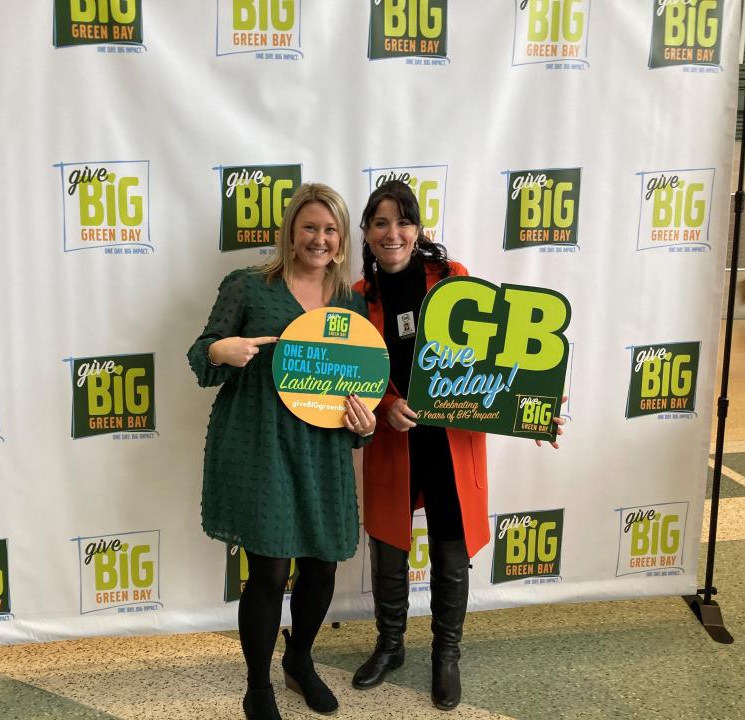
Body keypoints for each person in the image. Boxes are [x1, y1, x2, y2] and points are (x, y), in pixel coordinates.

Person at [351, 180, 564, 711]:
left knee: (449, 546)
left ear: (418, 229)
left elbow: (494, 360)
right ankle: (391, 646)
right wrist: (381, 408)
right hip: (392, 443)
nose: (392, 233)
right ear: (367, 233)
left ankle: (447, 653)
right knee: (389, 547)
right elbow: (350, 376)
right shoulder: (356, 298)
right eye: (380, 222)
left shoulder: (453, 281)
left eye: (402, 221)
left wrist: (530, 408)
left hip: (450, 439)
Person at [188, 183, 377, 720]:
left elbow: (356, 386)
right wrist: (220, 350)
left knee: (322, 567)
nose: (319, 238)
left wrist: (362, 423)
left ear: (342, 242)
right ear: (292, 231)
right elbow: (203, 354)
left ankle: (299, 660)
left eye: (330, 229)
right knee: (269, 572)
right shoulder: (248, 287)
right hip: (259, 442)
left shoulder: (350, 302)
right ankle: (258, 687)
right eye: (310, 227)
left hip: (322, 449)